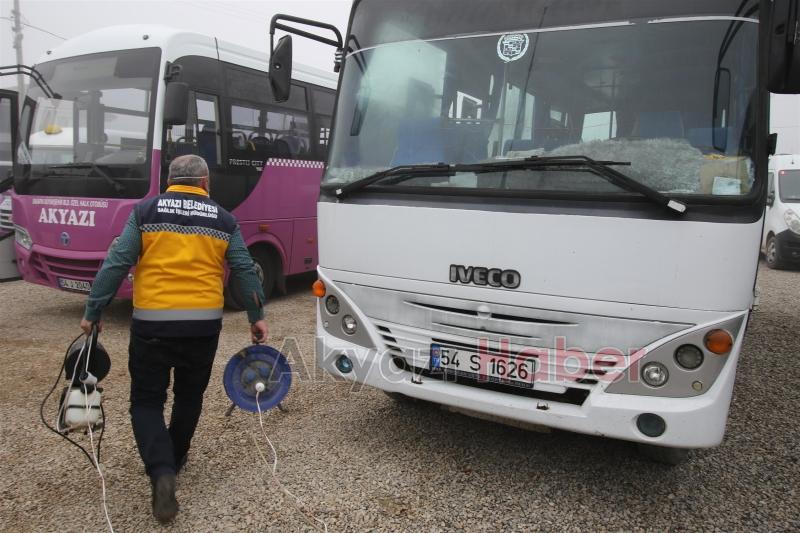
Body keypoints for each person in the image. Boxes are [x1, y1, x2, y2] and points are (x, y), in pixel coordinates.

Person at [79, 154, 267, 524]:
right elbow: (244, 269)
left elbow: (117, 261)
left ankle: (161, 469)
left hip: (152, 326)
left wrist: (93, 310)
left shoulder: (145, 212)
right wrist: (256, 317)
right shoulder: (224, 219)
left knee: (147, 401)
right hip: (202, 327)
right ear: (205, 183)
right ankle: (176, 456)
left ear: (169, 181)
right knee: (188, 395)